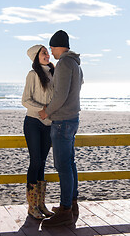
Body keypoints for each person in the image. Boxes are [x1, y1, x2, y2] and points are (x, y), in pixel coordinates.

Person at [38, 30, 83, 227]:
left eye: (51, 47)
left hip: (63, 121)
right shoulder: (75, 64)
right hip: (72, 119)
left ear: (58, 46)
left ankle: (65, 210)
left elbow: (61, 95)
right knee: (70, 164)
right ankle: (71, 205)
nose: (50, 51)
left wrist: (47, 111)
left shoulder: (64, 63)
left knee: (63, 166)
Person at [22, 44, 55, 220]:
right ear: (36, 56)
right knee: (35, 161)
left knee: (42, 162)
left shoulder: (54, 73)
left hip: (49, 124)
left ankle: (41, 204)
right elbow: (25, 100)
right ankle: (31, 206)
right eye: (43, 53)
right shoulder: (33, 75)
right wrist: (43, 108)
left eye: (47, 52)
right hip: (33, 122)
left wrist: (50, 112)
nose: (47, 55)